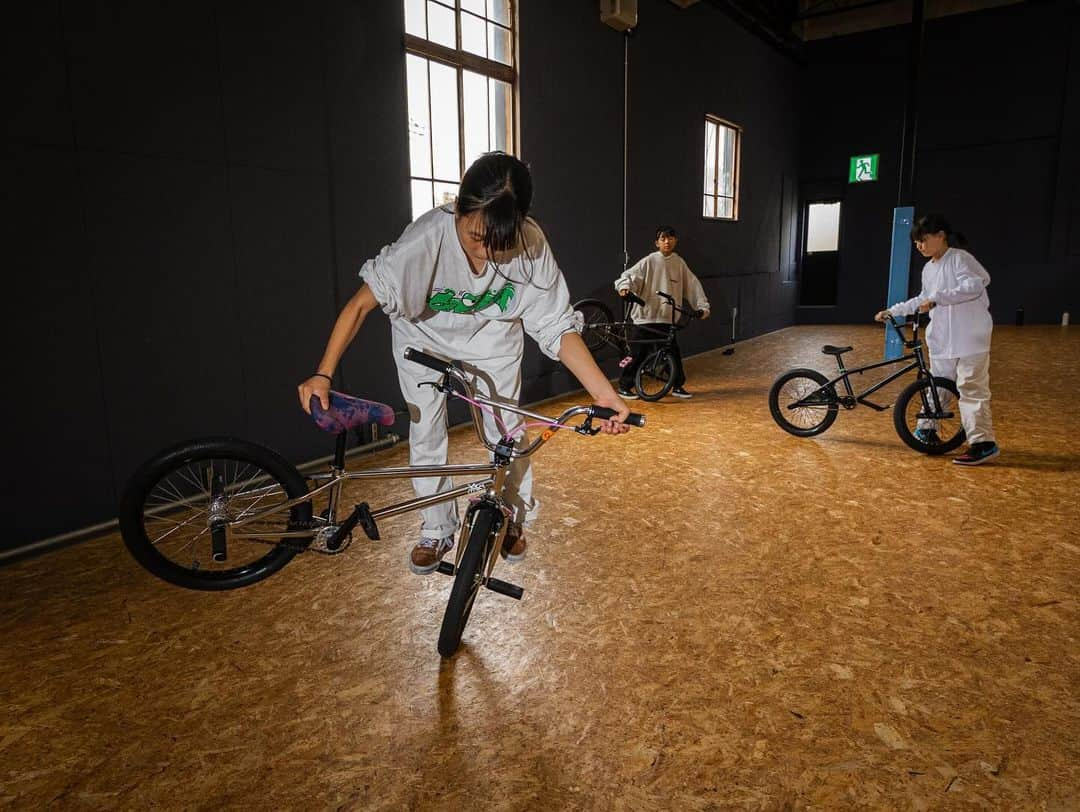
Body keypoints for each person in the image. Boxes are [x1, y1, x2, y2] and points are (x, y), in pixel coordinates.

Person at [298, 152, 631, 574]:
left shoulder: (532, 245)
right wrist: (323, 373)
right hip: (422, 340)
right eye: (476, 236)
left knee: (507, 431)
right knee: (426, 431)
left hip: (492, 343)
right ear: (458, 208)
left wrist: (605, 395)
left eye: (501, 243)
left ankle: (510, 515)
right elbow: (362, 305)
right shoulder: (425, 240)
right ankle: (438, 527)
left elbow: (556, 328)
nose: (487, 253)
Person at [875, 214, 999, 465]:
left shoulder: (960, 259)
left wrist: (938, 298)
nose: (920, 246)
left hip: (969, 338)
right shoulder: (929, 268)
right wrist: (893, 310)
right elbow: (922, 298)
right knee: (937, 385)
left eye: (923, 240)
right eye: (916, 243)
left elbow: (976, 284)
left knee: (970, 389)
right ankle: (927, 427)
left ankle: (983, 443)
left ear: (941, 235)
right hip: (942, 339)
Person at [614, 226, 710, 399]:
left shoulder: (679, 263)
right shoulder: (649, 261)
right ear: (657, 243)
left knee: (672, 353)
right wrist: (624, 287)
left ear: (676, 241)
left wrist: (702, 306)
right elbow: (630, 275)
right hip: (646, 317)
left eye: (671, 238)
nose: (667, 241)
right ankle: (624, 386)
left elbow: (692, 285)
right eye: (663, 239)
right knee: (636, 353)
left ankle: (677, 385)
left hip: (667, 318)